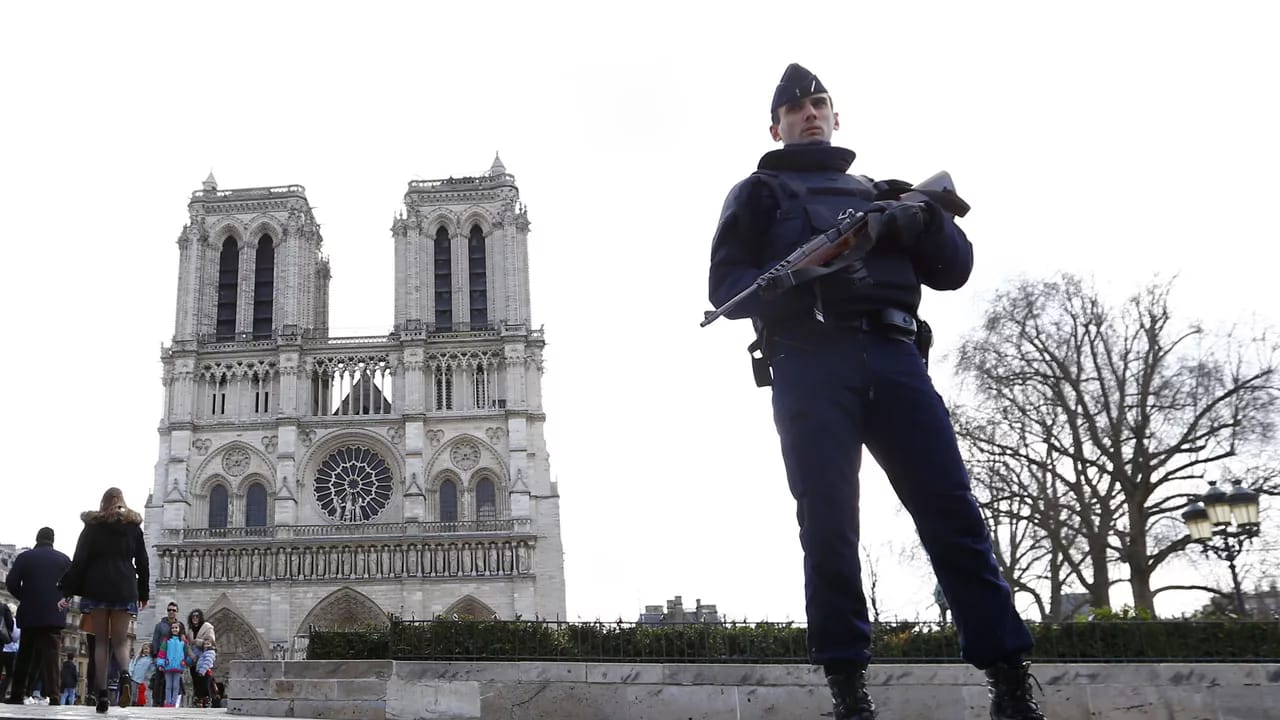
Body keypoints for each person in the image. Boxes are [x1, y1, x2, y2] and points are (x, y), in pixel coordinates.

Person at [706, 63, 1046, 720]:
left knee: (954, 516)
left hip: (895, 358)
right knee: (829, 526)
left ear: (836, 116)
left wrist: (916, 222)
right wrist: (808, 277)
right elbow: (728, 291)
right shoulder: (757, 194)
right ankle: (847, 689)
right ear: (774, 126)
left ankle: (1009, 678)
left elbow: (955, 269)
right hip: (809, 359)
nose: (810, 113)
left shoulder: (884, 190)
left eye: (820, 103)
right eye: (796, 108)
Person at [56, 487, 150, 713]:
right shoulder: (133, 528)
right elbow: (143, 562)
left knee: (101, 642)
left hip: (97, 588)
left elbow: (79, 561)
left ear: (102, 503)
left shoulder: (92, 527)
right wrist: (143, 592)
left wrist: (67, 589)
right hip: (125, 587)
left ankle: (102, 695)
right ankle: (125, 675)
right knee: (120, 641)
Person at [4, 527, 71, 705]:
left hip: (30, 613)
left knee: (25, 654)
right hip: (54, 615)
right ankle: (55, 695)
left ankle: (17, 694)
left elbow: (11, 582)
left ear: (37, 538)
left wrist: (24, 596)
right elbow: (72, 585)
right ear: (53, 540)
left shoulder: (25, 557)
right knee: (52, 656)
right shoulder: (64, 559)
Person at [150, 602, 182, 706]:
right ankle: (157, 702)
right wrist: (155, 656)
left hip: (176, 660)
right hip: (162, 658)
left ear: (177, 612)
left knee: (174, 683)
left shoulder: (180, 626)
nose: (171, 612)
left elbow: (184, 642)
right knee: (158, 681)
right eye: (169, 610)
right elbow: (155, 640)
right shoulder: (159, 625)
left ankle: (173, 703)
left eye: (173, 610)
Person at [186, 609, 216, 708]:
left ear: (201, 617)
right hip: (194, 659)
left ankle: (206, 700)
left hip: (204, 658)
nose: (195, 618)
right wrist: (192, 656)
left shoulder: (207, 627)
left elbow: (211, 642)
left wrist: (198, 642)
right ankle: (198, 700)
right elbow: (189, 645)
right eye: (193, 616)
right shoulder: (190, 630)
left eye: (197, 616)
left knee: (204, 681)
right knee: (196, 681)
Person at [154, 622, 188, 708]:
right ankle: (168, 702)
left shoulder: (183, 641)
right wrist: (161, 664)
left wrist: (186, 662)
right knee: (168, 686)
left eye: (176, 628)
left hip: (178, 666)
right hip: (168, 665)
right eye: (173, 628)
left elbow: (186, 653)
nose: (174, 629)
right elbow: (162, 653)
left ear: (180, 629)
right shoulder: (166, 641)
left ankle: (173, 703)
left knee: (176, 686)